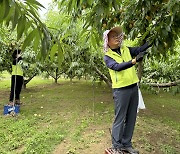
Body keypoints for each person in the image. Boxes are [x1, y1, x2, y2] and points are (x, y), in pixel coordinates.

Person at [103, 26, 151, 154]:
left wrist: (151, 42)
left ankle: (126, 144)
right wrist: (134, 61)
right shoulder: (108, 56)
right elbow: (117, 67)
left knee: (131, 117)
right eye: (113, 37)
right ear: (107, 40)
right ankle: (116, 146)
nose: (117, 38)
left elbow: (139, 49)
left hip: (133, 87)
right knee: (120, 118)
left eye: (118, 36)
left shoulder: (126, 49)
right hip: (121, 90)